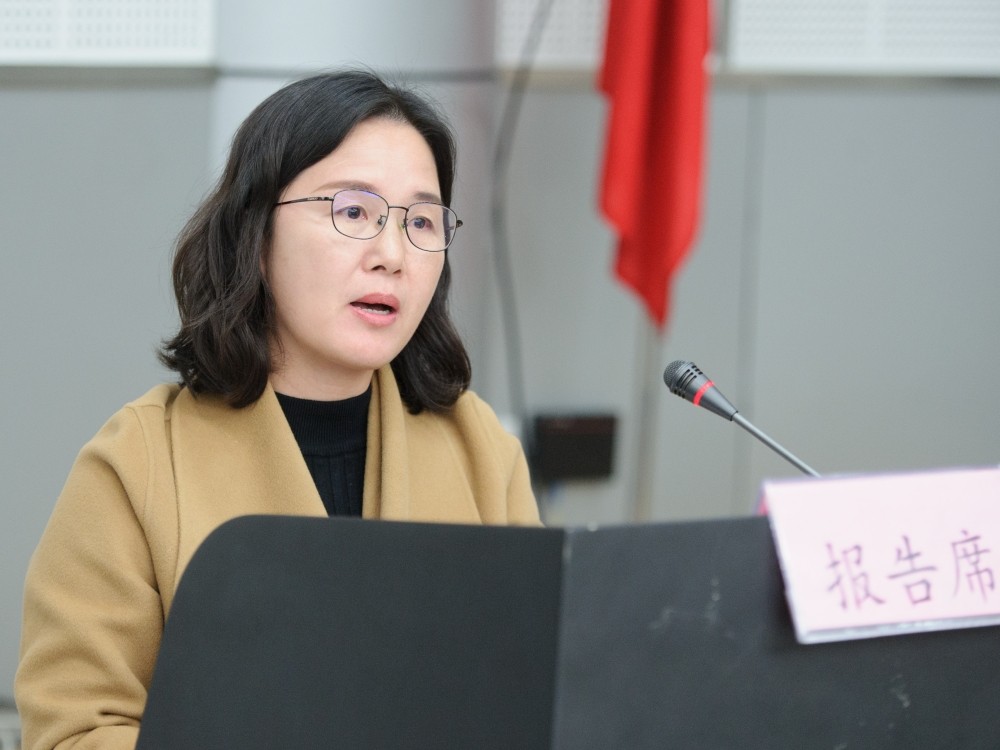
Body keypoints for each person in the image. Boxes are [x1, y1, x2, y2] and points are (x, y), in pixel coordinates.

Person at [15, 69, 540, 750]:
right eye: (354, 212)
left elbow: (537, 697)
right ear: (256, 235)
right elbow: (74, 732)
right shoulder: (138, 463)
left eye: (420, 222)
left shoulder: (480, 450)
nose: (392, 255)